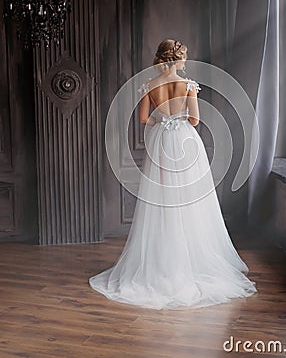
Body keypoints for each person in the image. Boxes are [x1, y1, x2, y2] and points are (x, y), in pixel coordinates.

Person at [89, 39, 257, 309]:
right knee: (190, 197)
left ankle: (161, 261)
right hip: (185, 141)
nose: (185, 62)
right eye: (183, 58)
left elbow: (143, 118)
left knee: (161, 197)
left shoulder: (149, 86)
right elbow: (194, 120)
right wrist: (176, 121)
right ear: (176, 59)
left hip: (160, 142)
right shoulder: (188, 85)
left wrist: (160, 121)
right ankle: (191, 258)